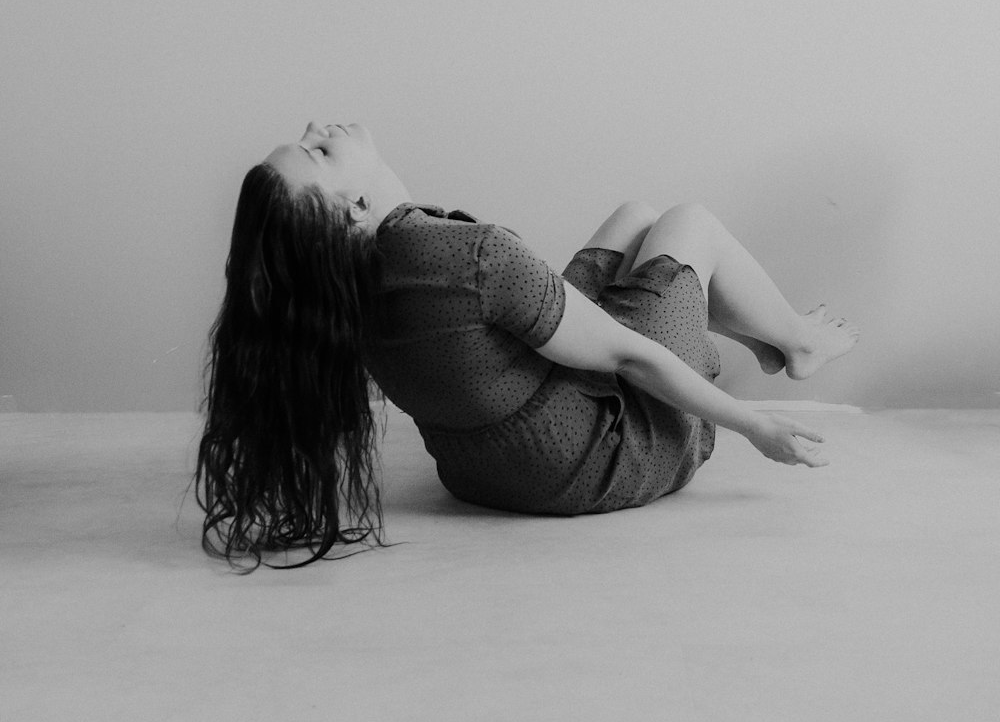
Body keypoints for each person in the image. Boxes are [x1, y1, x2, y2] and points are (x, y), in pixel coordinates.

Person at [196, 121, 859, 571]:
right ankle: (795, 342)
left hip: (492, 475)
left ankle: (756, 330)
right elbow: (627, 356)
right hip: (608, 454)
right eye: (318, 153)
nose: (319, 128)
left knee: (635, 218)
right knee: (689, 224)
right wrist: (755, 426)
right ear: (355, 209)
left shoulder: (347, 288)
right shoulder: (467, 257)